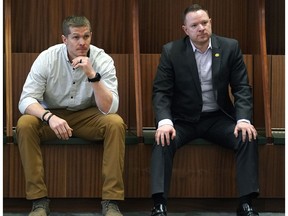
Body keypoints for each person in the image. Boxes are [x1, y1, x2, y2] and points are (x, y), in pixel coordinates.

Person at [150, 4, 259, 216]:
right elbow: (161, 92)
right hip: (183, 120)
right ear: (185, 30)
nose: (201, 28)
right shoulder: (172, 51)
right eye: (195, 25)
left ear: (211, 23)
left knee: (247, 136)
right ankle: (159, 205)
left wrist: (243, 119)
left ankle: (246, 203)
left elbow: (242, 88)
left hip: (218, 118)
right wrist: (164, 121)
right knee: (162, 139)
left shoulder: (229, 47)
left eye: (205, 23)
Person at [16, 16, 126, 216]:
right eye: (75, 37)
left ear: (91, 36)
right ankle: (39, 201)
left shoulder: (103, 60)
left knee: (115, 124)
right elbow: (26, 100)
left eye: (86, 36)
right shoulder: (47, 58)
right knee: (25, 124)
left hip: (88, 115)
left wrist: (92, 74)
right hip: (53, 115)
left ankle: (111, 201)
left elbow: (110, 108)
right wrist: (49, 117)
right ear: (64, 40)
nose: (82, 43)